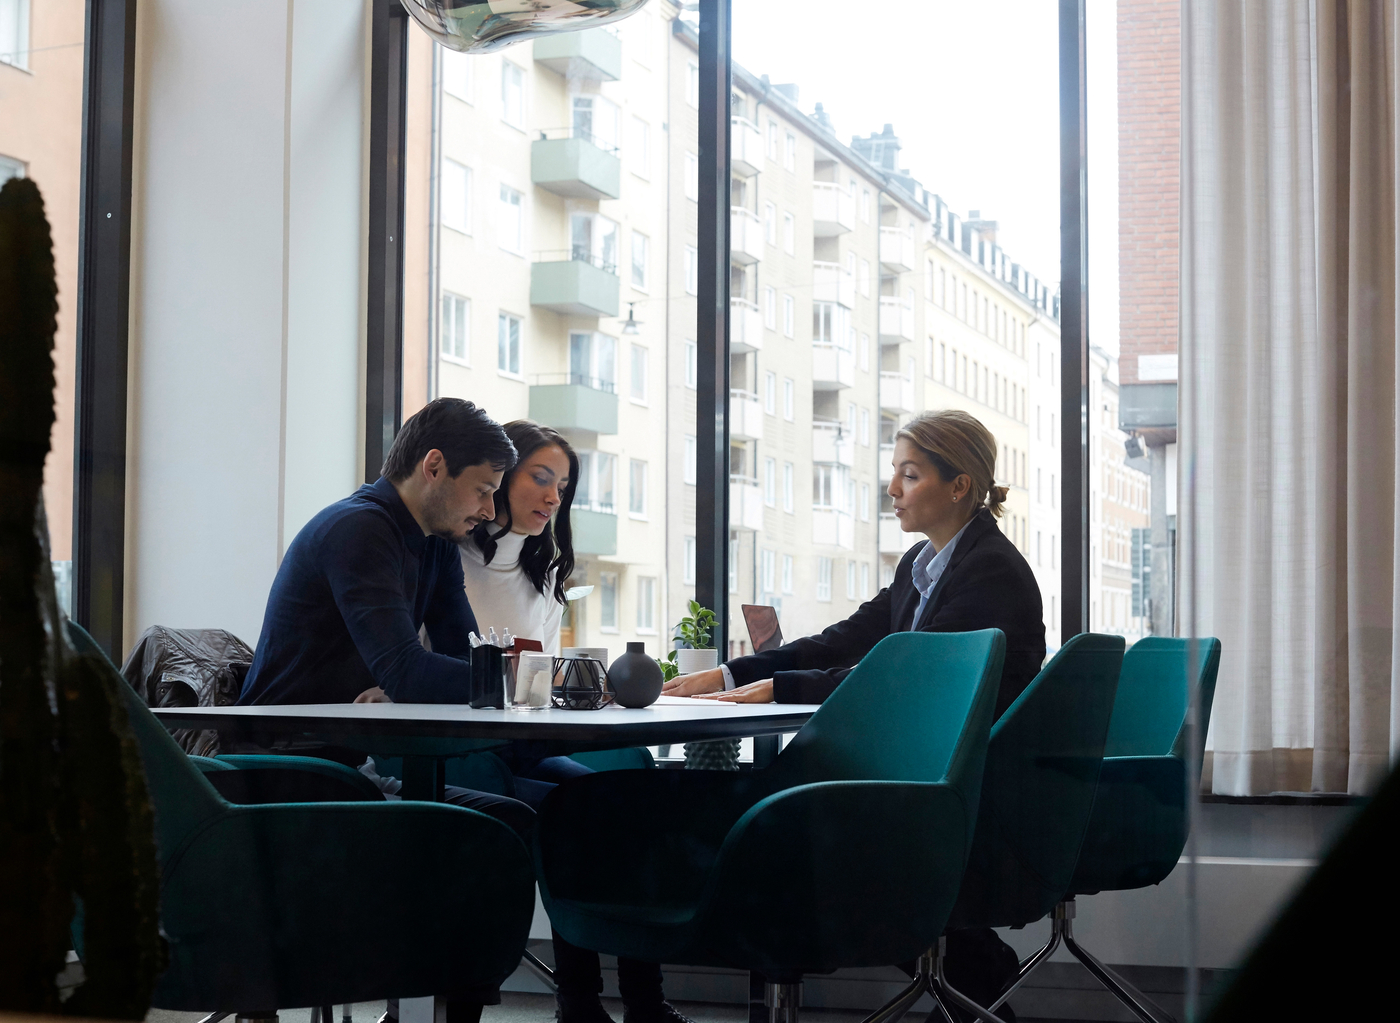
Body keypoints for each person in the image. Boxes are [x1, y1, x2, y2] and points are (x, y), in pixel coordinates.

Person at [662, 408, 1046, 1023]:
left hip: (972, 791)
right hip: (929, 774)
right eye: (895, 473)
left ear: (960, 485)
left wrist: (779, 686)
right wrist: (737, 672)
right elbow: (846, 639)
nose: (892, 489)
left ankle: (969, 965)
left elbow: (907, 681)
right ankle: (972, 965)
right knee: (778, 816)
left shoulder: (990, 571)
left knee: (791, 829)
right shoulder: (921, 566)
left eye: (910, 475)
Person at [238, 398, 540, 1023]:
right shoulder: (359, 530)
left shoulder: (430, 541)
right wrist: (526, 682)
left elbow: (462, 654)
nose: (489, 510)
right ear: (434, 466)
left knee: (505, 821)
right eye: (483, 490)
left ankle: (450, 1001)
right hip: (291, 773)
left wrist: (516, 679)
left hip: (345, 768)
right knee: (476, 831)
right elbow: (406, 669)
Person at [457, 419, 693, 1023]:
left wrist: (584, 692)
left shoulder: (544, 576)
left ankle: (642, 1001)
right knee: (575, 811)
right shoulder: (448, 562)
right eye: (540, 478)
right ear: (498, 476)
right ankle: (581, 1002)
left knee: (616, 798)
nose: (552, 496)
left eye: (562, 486)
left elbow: (532, 684)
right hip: (458, 751)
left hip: (521, 748)